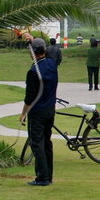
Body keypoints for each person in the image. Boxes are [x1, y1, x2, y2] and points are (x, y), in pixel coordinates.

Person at [20, 39, 59, 186]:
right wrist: (31, 40)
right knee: (47, 142)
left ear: (34, 52)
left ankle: (42, 177)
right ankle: (48, 175)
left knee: (37, 143)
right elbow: (50, 54)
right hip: (50, 110)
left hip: (37, 112)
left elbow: (29, 97)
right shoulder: (51, 64)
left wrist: (23, 114)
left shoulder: (33, 71)